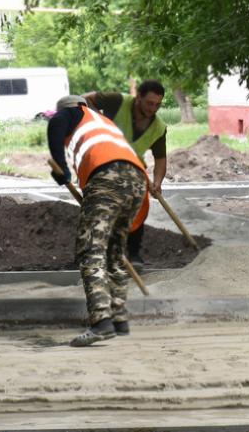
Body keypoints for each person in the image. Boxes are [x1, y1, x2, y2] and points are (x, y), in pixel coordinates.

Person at [47, 94, 149, 346]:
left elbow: (56, 123)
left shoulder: (71, 113)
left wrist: (60, 168)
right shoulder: (103, 120)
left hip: (107, 177)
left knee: (91, 251)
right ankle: (118, 319)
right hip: (136, 180)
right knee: (115, 252)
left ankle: (101, 322)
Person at [82, 80, 168, 269]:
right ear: (138, 98)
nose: (153, 108)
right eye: (149, 103)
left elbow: (160, 159)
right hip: (104, 161)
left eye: (157, 105)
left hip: (132, 168)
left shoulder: (158, 128)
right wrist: (96, 120)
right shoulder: (117, 101)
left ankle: (134, 253)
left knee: (138, 206)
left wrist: (157, 182)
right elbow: (85, 99)